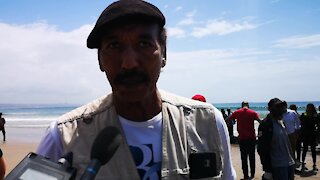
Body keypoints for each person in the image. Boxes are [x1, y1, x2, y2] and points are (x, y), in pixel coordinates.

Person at [37, 1, 236, 179]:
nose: (129, 63)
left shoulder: (208, 123)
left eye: (144, 44)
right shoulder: (63, 137)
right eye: (114, 45)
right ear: (100, 60)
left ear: (164, 53)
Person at [257, 98, 295, 180]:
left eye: (281, 106)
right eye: (277, 107)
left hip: (289, 163)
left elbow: (287, 144)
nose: (280, 109)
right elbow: (262, 149)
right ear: (270, 109)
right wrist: (267, 170)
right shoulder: (266, 125)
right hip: (277, 166)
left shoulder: (282, 122)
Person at [227, 101, 260, 180]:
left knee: (244, 158)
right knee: (252, 157)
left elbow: (227, 120)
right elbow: (261, 122)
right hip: (252, 138)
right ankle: (252, 174)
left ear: (241, 106)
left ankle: (245, 176)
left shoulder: (237, 112)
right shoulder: (253, 113)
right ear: (248, 105)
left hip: (242, 138)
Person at [300, 103, 320, 172]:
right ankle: (303, 164)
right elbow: (302, 123)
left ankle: (314, 164)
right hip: (306, 134)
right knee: (305, 149)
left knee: (313, 150)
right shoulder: (305, 114)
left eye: (310, 107)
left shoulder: (315, 115)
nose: (309, 109)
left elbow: (318, 124)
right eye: (308, 107)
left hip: (312, 134)